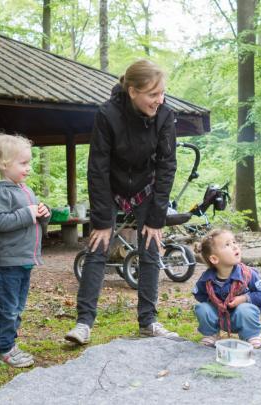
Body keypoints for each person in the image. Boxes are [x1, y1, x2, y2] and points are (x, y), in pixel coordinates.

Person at [65, 60, 178, 344]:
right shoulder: (107, 114)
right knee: (98, 245)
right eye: (153, 95)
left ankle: (148, 321)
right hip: (110, 185)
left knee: (151, 245)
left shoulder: (165, 117)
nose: (159, 100)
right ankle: (83, 323)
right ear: (132, 91)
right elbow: (97, 167)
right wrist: (102, 220)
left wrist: (156, 219)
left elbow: (167, 167)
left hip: (146, 187)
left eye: (162, 93)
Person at [0, 134, 50, 368]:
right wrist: (29, 213)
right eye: (23, 163)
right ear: (4, 164)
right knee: (9, 309)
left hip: (23, 260)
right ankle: (4, 350)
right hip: (7, 263)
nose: (29, 167)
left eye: (29, 162)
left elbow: (34, 221)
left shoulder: (26, 190)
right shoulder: (0, 191)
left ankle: (10, 344)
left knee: (18, 307)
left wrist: (44, 213)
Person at [192, 230, 261, 349]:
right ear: (214, 259)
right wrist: (214, 302)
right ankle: (211, 334)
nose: (234, 246)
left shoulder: (248, 274)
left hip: (242, 317)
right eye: (227, 245)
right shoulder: (206, 280)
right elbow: (199, 294)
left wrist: (244, 298)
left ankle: (251, 336)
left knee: (245, 309)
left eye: (234, 242)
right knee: (202, 308)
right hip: (219, 317)